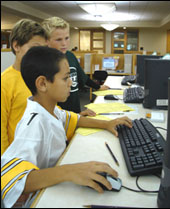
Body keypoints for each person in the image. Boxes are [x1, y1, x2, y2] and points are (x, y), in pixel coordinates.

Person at [1, 46, 133, 208]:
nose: (71, 83)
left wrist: (106, 124)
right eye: (65, 78)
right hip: (42, 199)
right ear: (42, 84)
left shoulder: (51, 109)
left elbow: (75, 119)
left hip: (55, 187)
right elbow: (13, 179)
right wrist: (70, 171)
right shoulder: (33, 125)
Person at [41, 17, 110, 116]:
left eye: (67, 38)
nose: (64, 43)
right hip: (58, 118)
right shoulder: (43, 62)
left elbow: (84, 78)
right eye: (58, 40)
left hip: (76, 112)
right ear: (46, 41)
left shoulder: (70, 56)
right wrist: (71, 117)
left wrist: (98, 87)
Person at [1, 19, 48, 155]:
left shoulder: (40, 78)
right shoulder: (5, 82)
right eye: (35, 48)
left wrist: (77, 118)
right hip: (18, 158)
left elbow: (51, 110)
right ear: (16, 46)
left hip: (40, 151)